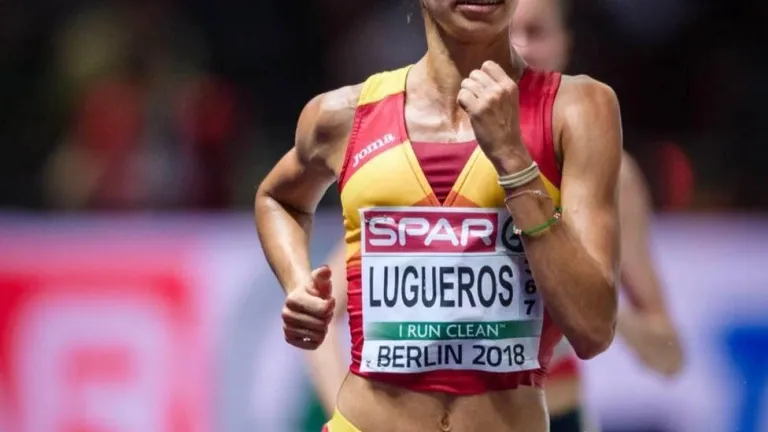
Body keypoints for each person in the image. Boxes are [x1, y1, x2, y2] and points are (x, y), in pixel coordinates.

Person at [255, 0, 623, 430]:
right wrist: (298, 283)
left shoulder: (577, 110)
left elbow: (593, 329)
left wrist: (513, 161)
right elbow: (278, 199)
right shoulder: (344, 115)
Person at [511, 0, 685, 430]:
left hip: (556, 416)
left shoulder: (612, 175)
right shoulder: (426, 150)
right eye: (507, 32)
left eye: (536, 31)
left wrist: (590, 304)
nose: (519, 47)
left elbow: (669, 356)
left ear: (565, 43)